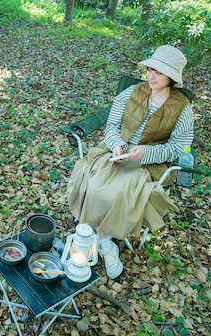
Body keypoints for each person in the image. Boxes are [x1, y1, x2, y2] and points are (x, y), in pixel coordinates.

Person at [67, 45, 194, 279]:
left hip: (148, 162)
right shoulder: (130, 93)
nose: (152, 75)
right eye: (150, 69)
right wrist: (117, 145)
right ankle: (104, 241)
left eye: (160, 72)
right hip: (116, 152)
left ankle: (99, 240)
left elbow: (179, 147)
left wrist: (146, 152)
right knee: (94, 184)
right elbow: (112, 126)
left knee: (118, 192)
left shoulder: (182, 109)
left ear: (172, 78)